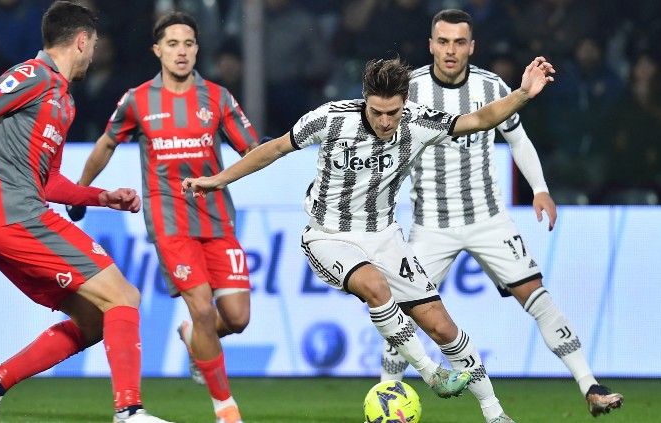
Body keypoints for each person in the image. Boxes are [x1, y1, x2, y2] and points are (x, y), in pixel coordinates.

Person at [184, 54, 557, 423]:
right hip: (328, 235)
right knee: (374, 287)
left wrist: (522, 94)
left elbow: (478, 119)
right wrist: (218, 180)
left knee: (442, 326)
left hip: (384, 236)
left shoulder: (418, 122)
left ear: (404, 103)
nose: (384, 121)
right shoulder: (330, 119)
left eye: (392, 112)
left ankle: (495, 413)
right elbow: (275, 147)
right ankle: (432, 374)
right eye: (376, 111)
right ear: (365, 100)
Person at [378, 9, 624, 418]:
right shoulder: (411, 90)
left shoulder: (491, 86)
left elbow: (519, 140)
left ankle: (590, 384)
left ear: (472, 46)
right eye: (443, 41)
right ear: (431, 45)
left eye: (459, 42)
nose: (451, 50)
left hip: (488, 220)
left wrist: (540, 190)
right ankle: (388, 397)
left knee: (537, 297)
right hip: (431, 226)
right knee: (403, 316)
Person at [0, 2, 174, 422]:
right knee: (124, 296)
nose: (93, 54)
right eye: (93, 45)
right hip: (17, 218)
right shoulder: (32, 75)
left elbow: (49, 183)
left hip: (13, 222)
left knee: (93, 321)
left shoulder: (63, 101)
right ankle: (129, 411)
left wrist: (100, 196)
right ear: (82, 40)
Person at [71, 11, 258, 423]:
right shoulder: (138, 99)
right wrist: (83, 190)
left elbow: (252, 149)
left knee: (237, 319)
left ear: (197, 50)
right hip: (169, 221)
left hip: (218, 221)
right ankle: (225, 408)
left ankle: (195, 339)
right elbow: (105, 144)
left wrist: (270, 154)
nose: (181, 51)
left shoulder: (218, 98)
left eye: (188, 44)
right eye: (172, 44)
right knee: (204, 310)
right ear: (158, 50)